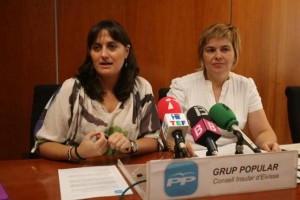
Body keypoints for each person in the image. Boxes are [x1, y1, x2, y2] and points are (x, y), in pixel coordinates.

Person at [31, 19, 164, 162]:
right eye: (97, 48)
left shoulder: (141, 88)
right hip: (79, 175)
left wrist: (131, 145)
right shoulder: (72, 89)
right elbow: (43, 145)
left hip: (126, 174)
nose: (104, 54)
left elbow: (155, 139)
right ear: (90, 54)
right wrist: (77, 152)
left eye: (112, 46)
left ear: (126, 51)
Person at [167, 23, 280, 152]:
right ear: (202, 55)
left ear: (235, 54)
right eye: (210, 50)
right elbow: (168, 135)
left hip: (232, 159)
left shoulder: (246, 86)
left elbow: (262, 131)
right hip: (193, 157)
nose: (218, 56)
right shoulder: (181, 86)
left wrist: (268, 142)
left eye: (225, 49)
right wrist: (178, 146)